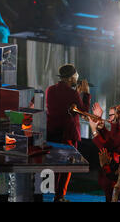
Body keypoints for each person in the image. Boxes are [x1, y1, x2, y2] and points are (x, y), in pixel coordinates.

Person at [45, 64, 91, 202]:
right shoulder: (72, 94)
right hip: (68, 135)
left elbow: (62, 107)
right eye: (76, 75)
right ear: (71, 78)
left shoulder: (50, 90)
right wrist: (86, 94)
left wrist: (76, 94)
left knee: (57, 164)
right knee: (67, 166)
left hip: (52, 133)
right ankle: (59, 196)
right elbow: (84, 112)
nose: (77, 77)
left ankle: (55, 194)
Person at [89, 103, 120, 201]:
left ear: (119, 115)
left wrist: (94, 130)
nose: (109, 119)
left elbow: (106, 146)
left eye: (111, 116)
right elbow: (112, 139)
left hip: (118, 175)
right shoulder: (119, 128)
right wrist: (103, 128)